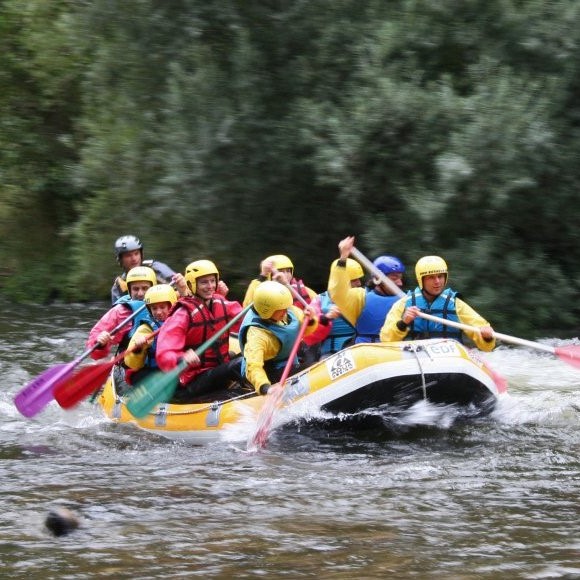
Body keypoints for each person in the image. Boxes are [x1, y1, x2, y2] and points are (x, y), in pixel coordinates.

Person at [155, 259, 245, 402]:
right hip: (192, 381)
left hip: (217, 370)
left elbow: (246, 320)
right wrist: (182, 358)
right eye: (204, 282)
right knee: (238, 364)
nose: (210, 286)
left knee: (249, 356)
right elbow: (164, 354)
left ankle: (267, 383)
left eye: (212, 281)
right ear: (192, 284)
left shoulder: (222, 303)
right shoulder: (182, 314)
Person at [380, 255, 496, 350]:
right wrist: (403, 323)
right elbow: (386, 339)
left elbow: (486, 346)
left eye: (440, 276)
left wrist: (487, 337)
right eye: (431, 277)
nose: (437, 282)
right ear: (421, 280)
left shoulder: (456, 304)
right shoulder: (403, 304)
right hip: (415, 358)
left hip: (448, 359)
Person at [238, 281, 319, 395]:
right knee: (308, 367)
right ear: (267, 310)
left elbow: (304, 330)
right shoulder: (257, 335)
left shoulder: (287, 311)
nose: (286, 311)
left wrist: (310, 320)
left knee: (315, 351)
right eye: (281, 309)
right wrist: (266, 387)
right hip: (269, 370)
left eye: (286, 307)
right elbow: (253, 366)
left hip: (288, 359)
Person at [328, 236, 404, 343]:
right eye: (394, 278)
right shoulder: (360, 297)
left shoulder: (407, 299)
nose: (400, 283)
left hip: (396, 353)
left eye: (400, 278)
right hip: (367, 353)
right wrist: (343, 258)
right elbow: (337, 294)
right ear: (377, 279)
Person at [87, 266, 157, 360]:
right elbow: (94, 351)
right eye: (136, 289)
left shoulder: (166, 305)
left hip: (159, 360)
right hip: (130, 363)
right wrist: (100, 343)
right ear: (129, 290)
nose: (140, 293)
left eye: (145, 288)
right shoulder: (120, 311)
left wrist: (182, 289)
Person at [302, 258, 365, 359]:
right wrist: (326, 318)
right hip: (331, 355)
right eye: (354, 280)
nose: (359, 283)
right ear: (340, 281)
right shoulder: (320, 300)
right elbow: (309, 336)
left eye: (359, 279)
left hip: (357, 351)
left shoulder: (363, 296)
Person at [124, 284, 178, 384]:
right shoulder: (145, 329)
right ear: (149, 309)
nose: (158, 312)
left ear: (172, 306)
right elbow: (130, 363)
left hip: (176, 368)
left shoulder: (182, 320)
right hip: (155, 371)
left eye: (162, 307)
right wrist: (138, 348)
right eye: (154, 308)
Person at [111, 235, 176, 304]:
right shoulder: (118, 286)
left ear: (141, 255)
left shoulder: (156, 268)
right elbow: (116, 311)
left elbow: (179, 285)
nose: (134, 259)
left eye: (136, 254)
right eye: (128, 255)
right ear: (120, 260)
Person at [242, 254, 317, 310]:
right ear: (270, 275)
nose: (285, 275)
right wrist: (263, 275)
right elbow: (247, 307)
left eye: (288, 271)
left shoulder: (303, 290)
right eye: (280, 271)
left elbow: (318, 307)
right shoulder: (259, 287)